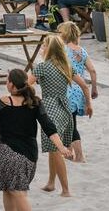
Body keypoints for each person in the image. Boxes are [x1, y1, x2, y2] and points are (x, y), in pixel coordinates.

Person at [0, 68, 64, 211]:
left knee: (18, 191)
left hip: (10, 153)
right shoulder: (34, 102)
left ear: (11, 84)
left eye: (7, 80)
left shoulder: (3, 102)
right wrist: (61, 147)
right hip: (30, 154)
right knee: (8, 189)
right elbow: (48, 126)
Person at [34, 35, 80, 196]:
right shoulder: (66, 66)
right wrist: (88, 102)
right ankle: (51, 183)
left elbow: (25, 84)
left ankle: (66, 190)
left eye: (44, 46)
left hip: (50, 108)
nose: (42, 48)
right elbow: (84, 86)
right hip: (65, 108)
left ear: (50, 48)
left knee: (55, 148)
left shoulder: (42, 67)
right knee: (54, 147)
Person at [57, 21, 98, 157]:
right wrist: (94, 89)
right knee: (70, 122)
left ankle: (79, 156)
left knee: (70, 125)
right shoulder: (82, 51)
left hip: (66, 90)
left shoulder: (62, 50)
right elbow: (92, 70)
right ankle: (68, 153)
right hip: (79, 90)